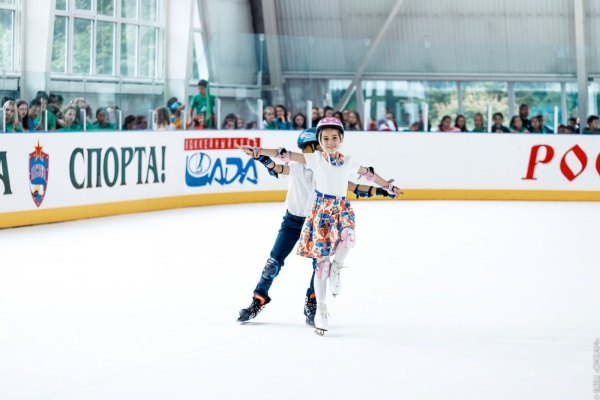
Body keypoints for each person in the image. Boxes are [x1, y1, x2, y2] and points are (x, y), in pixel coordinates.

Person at [242, 118, 401, 335]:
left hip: (316, 221)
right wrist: (260, 156)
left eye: (313, 147)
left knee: (320, 265)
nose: (310, 151)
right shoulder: (299, 166)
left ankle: (313, 302)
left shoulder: (327, 167)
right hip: (292, 221)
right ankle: (258, 299)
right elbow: (278, 165)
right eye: (307, 148)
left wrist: (384, 190)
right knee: (273, 263)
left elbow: (354, 186)